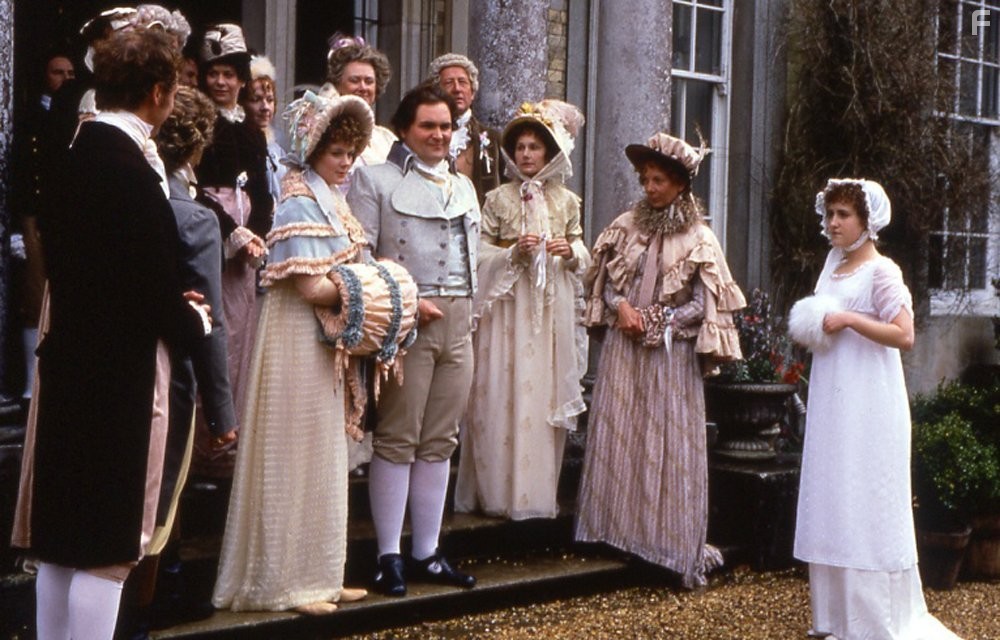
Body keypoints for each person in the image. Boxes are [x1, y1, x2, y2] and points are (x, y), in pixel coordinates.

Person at [11, 28, 211, 640]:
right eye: (173, 90)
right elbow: (148, 292)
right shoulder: (129, 170)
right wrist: (193, 318)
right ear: (157, 91)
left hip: (70, 362)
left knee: (62, 541)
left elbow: (94, 267)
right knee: (107, 547)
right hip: (118, 378)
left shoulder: (79, 152)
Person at [212, 84, 373, 615]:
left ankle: (322, 574)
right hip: (297, 341)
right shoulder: (300, 200)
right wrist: (376, 288)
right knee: (295, 455)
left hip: (321, 340)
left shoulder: (331, 199)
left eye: (351, 153)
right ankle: (285, 581)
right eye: (337, 153)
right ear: (313, 151)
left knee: (325, 456)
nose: (346, 163)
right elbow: (311, 287)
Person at [791, 179, 961, 640]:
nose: (833, 224)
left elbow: (904, 334)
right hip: (834, 396)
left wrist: (849, 319)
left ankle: (873, 624)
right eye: (830, 215)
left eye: (843, 215)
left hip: (870, 401)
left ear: (867, 222)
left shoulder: (882, 272)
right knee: (834, 497)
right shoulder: (833, 264)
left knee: (865, 500)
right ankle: (834, 620)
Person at [575, 132, 745, 588]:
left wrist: (658, 318)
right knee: (621, 432)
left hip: (670, 354)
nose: (649, 188)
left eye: (659, 181)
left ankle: (666, 539)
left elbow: (704, 301)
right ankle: (618, 532)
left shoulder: (698, 237)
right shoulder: (628, 225)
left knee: (664, 438)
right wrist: (621, 308)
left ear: (680, 185)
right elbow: (607, 281)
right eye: (646, 179)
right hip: (624, 349)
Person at [347, 85, 479, 597]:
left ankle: (427, 550)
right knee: (399, 436)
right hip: (409, 320)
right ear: (405, 129)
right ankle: (388, 557)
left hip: (459, 323)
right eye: (428, 125)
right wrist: (406, 300)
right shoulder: (374, 180)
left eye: (445, 126)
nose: (439, 135)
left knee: (441, 439)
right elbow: (361, 257)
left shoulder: (463, 185)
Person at [455, 100, 590, 520]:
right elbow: (477, 254)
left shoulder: (568, 201)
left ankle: (534, 495)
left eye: (534, 147)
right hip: (507, 311)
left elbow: (582, 251)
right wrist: (511, 253)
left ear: (549, 153)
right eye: (520, 148)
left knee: (540, 391)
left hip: (546, 312)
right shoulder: (496, 200)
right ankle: (496, 492)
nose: (526, 155)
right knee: (500, 389)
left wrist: (571, 252)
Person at [194, 23, 272, 478]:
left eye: (229, 74)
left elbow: (262, 192)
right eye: (213, 73)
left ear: (242, 79)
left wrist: (257, 231)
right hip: (211, 230)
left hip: (247, 243)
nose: (220, 82)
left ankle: (229, 446)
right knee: (214, 332)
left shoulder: (251, 130)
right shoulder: (198, 121)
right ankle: (204, 446)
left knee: (242, 335)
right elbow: (192, 188)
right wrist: (230, 232)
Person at [427, 53, 502, 205]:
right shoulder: (423, 136)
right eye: (448, 83)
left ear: (473, 93)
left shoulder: (493, 139)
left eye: (463, 82)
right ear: (436, 92)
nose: (457, 89)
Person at [326, 34, 396, 186]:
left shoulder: (386, 138)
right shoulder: (324, 130)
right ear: (338, 84)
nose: (363, 87)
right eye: (354, 80)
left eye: (369, 81)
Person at [241, 54, 286, 202]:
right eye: (256, 100)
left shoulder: (277, 149)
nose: (265, 107)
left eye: (270, 100)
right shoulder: (241, 146)